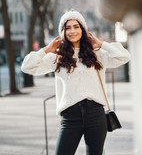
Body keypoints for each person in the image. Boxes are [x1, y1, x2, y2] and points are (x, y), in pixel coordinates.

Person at [21, 10, 131, 155]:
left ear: (83, 29)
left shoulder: (96, 53)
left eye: (76, 26)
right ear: (63, 32)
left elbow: (124, 56)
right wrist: (47, 50)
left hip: (96, 114)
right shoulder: (57, 57)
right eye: (68, 28)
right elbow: (27, 66)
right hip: (70, 116)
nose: (72, 31)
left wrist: (100, 43)